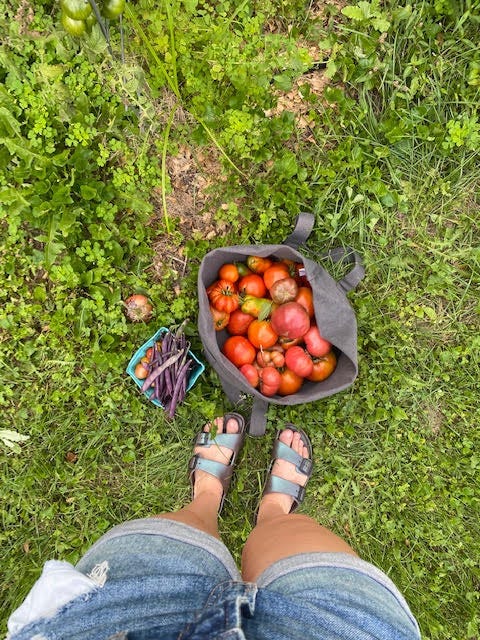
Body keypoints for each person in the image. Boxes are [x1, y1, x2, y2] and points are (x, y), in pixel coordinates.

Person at [7, 413, 421, 640]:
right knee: (293, 540)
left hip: (115, 622)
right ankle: (274, 509)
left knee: (183, 533)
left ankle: (207, 496)